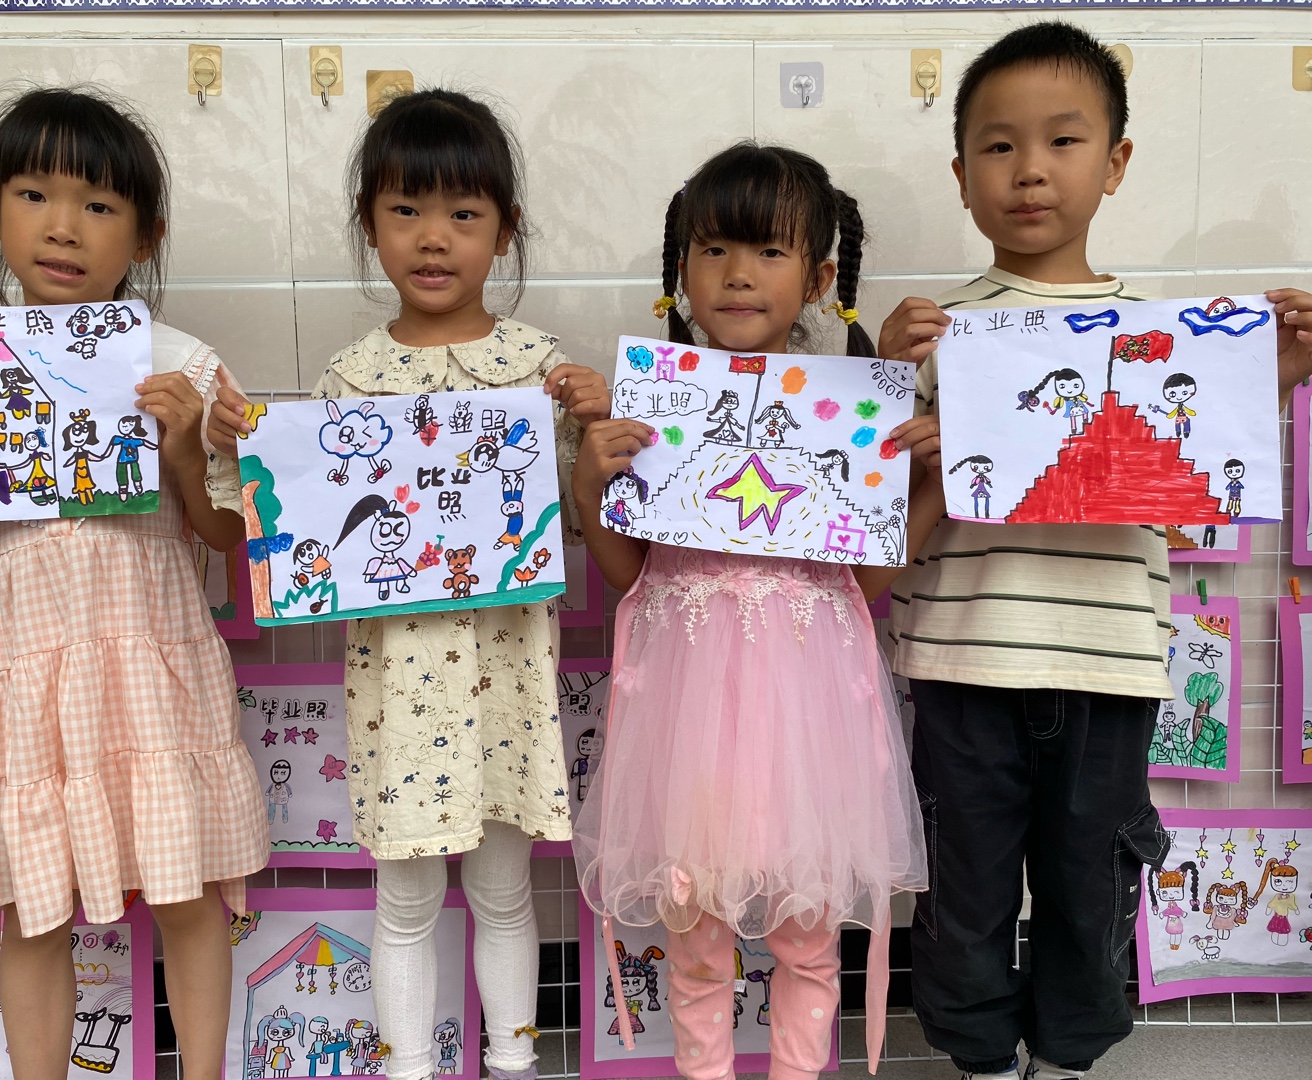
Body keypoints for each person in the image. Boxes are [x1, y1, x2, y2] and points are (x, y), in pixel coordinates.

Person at [878, 22, 1312, 1080]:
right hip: (963, 666)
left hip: (1109, 668)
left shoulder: (1167, 342)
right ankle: (983, 1061)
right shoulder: (932, 334)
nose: (1030, 169)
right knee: (964, 887)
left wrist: (1278, 374)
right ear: (961, 176)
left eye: (1063, 141)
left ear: (1115, 163)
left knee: (1092, 885)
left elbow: (1203, 463)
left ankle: (1069, 1059)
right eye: (998, 146)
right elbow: (879, 523)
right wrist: (885, 384)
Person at [209, 88, 609, 1080]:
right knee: (407, 900)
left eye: (463, 213)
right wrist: (237, 447)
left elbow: (592, 507)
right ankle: (408, 1069)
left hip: (507, 684)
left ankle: (514, 1064)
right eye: (405, 210)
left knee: (507, 892)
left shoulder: (542, 372)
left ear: (505, 231)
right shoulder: (349, 378)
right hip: (399, 690)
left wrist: (598, 421)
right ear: (370, 226)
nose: (434, 237)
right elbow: (291, 526)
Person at [0, 87, 268, 1080]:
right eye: (34, 195)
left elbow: (227, 534)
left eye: (98, 204)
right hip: (23, 681)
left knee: (187, 891)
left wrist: (185, 450)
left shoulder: (181, 365)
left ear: (146, 233)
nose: (63, 227)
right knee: (31, 906)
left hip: (151, 674)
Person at [571, 142, 941, 1078]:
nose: (738, 274)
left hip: (805, 708)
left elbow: (864, 586)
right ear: (682, 270)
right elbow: (626, 575)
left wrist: (929, 486)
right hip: (688, 709)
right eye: (714, 250)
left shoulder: (850, 416)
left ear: (817, 278)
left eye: (770, 252)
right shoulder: (654, 410)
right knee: (695, 934)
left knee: (807, 936)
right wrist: (588, 480)